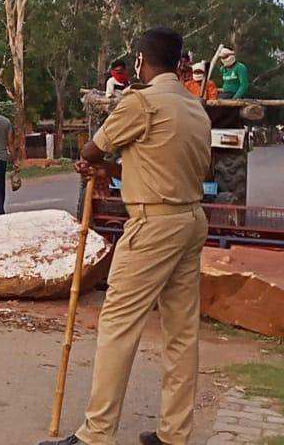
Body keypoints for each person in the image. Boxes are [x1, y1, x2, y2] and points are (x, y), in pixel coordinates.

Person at [39, 27, 211, 445]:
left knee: (118, 326)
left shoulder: (141, 102)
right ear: (179, 62)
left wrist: (97, 163)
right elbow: (167, 167)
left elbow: (91, 150)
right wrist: (116, 172)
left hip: (152, 226)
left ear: (141, 60)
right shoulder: (195, 108)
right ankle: (174, 434)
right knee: (181, 333)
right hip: (189, 219)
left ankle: (97, 434)